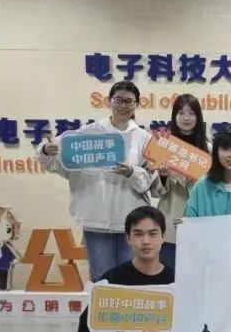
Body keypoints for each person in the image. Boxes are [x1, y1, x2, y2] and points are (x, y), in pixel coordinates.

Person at [37, 81, 155, 281]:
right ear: (109, 101)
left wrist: (131, 172)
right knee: (102, 279)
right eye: (118, 100)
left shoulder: (145, 139)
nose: (123, 105)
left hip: (132, 222)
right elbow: (59, 163)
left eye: (129, 101)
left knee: (132, 280)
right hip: (96, 219)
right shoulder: (87, 134)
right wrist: (46, 151)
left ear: (136, 104)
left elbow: (149, 179)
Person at [149, 94, 209, 268]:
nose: (186, 118)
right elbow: (156, 192)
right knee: (169, 275)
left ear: (198, 117)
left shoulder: (208, 150)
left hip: (199, 223)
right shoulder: (163, 146)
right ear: (174, 116)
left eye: (191, 113)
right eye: (181, 112)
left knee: (197, 276)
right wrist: (163, 176)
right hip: (170, 221)